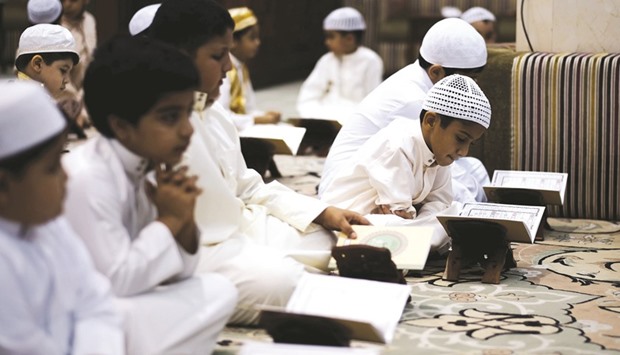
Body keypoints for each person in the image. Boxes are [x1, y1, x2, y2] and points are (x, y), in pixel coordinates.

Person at [148, 0, 370, 326]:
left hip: (240, 225)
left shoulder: (214, 111)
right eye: (217, 56)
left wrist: (321, 212)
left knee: (326, 237)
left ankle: (274, 266)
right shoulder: (152, 122)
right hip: (198, 248)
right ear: (178, 56)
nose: (228, 67)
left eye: (228, 54)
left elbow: (248, 185)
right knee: (283, 282)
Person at [62, 35, 237, 354]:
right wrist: (168, 222)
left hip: (124, 304)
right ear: (121, 126)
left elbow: (179, 275)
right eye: (170, 117)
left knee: (219, 290)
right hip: (81, 318)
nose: (188, 130)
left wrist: (184, 226)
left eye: (187, 113)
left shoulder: (151, 164)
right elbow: (117, 283)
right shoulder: (88, 177)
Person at [0, 81, 124, 354]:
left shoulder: (49, 224)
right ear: (4, 186)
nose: (67, 176)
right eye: (53, 167)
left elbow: (96, 301)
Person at [320, 18, 491, 204]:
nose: (471, 87)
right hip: (353, 191)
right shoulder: (413, 101)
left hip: (392, 170)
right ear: (436, 72)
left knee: (474, 169)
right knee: (456, 198)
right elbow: (438, 164)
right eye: (469, 79)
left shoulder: (419, 78)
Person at [322, 74, 492, 253]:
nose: (464, 152)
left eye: (469, 143)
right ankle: (418, 244)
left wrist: (419, 213)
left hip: (395, 222)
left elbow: (440, 203)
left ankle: (419, 243)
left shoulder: (440, 153)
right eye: (460, 139)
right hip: (350, 223)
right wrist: (417, 213)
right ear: (431, 121)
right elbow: (398, 212)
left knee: (455, 211)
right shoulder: (398, 144)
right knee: (401, 223)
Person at [297, 6, 383, 121]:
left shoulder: (371, 60)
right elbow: (308, 95)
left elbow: (373, 103)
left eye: (331, 37)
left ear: (349, 39)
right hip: (323, 118)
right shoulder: (326, 60)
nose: (327, 42)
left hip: (353, 122)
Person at [14, 23, 86, 139]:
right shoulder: (21, 104)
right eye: (63, 70)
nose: (67, 80)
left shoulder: (36, 99)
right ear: (37, 64)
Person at [215, 6, 280, 131]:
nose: (258, 42)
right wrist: (256, 120)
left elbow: (248, 109)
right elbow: (220, 115)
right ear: (232, 41)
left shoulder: (241, 68)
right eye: (252, 38)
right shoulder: (224, 70)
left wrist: (265, 116)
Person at [60, 0, 97, 128]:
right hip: (65, 92)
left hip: (86, 89)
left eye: (73, 0)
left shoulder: (89, 20)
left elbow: (91, 56)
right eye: (63, 0)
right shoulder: (58, 26)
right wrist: (76, 102)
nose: (67, 4)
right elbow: (59, 72)